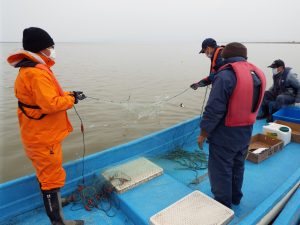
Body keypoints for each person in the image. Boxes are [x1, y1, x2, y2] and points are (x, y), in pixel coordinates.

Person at [7, 27, 85, 225]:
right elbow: (50, 104)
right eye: (50, 46)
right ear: (41, 49)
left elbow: (46, 96)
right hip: (43, 139)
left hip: (39, 135)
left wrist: (69, 94)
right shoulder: (36, 73)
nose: (52, 50)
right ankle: (59, 222)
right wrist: (72, 100)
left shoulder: (31, 70)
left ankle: (56, 202)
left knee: (49, 174)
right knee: (51, 178)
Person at [197, 42, 266, 208]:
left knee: (221, 169)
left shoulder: (225, 75)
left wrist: (203, 133)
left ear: (224, 57)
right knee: (237, 166)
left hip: (225, 134)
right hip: (245, 133)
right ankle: (235, 197)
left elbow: (214, 109)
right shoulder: (256, 73)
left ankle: (223, 204)